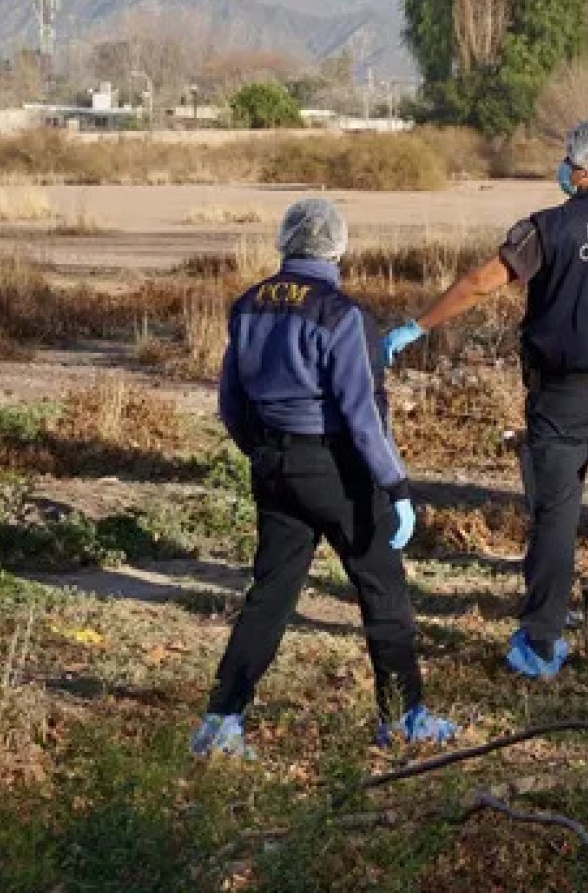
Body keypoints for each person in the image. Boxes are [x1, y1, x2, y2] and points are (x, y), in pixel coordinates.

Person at [383, 119, 588, 682]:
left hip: (561, 400)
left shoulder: (548, 228)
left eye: (570, 159)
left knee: (555, 516)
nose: (565, 167)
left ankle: (542, 640)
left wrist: (418, 325)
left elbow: (481, 282)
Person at [193, 199, 456, 759]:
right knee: (382, 590)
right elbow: (363, 417)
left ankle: (221, 720)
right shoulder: (341, 314)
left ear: (285, 240)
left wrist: (264, 453)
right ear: (338, 247)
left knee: (269, 597)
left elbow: (231, 402)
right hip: (338, 469)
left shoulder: (249, 305)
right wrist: (396, 487)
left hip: (273, 465)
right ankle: (403, 718)